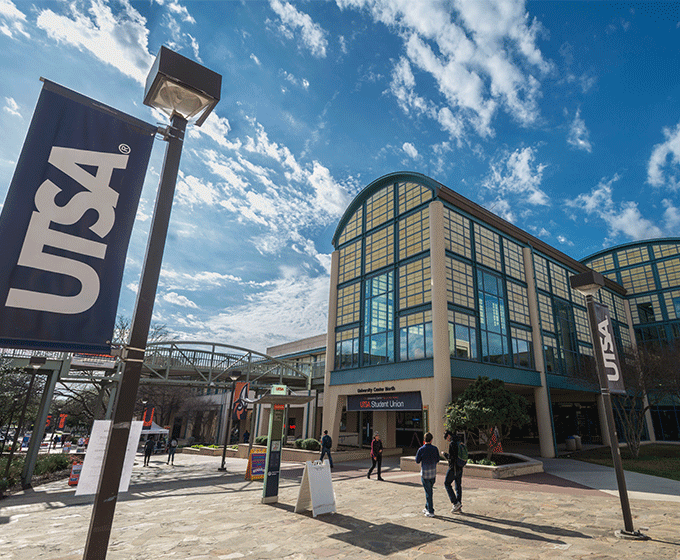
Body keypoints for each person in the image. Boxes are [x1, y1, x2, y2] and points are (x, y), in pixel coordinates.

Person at [415, 432, 440, 517]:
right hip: (433, 473)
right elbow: (437, 459)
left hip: (425, 473)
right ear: (431, 440)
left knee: (428, 492)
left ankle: (430, 510)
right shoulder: (435, 449)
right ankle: (427, 507)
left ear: (424, 440)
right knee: (429, 491)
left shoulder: (421, 449)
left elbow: (417, 460)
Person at [443, 431, 464, 513]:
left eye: (446, 438)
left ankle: (455, 503)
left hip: (453, 468)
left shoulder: (452, 443)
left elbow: (451, 458)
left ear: (449, 436)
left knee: (447, 483)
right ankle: (458, 504)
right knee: (458, 485)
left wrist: (444, 454)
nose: (447, 440)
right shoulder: (459, 441)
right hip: (460, 467)